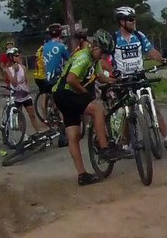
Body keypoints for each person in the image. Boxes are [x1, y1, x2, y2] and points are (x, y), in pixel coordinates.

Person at [52, 29, 122, 186]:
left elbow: (100, 77)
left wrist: (115, 81)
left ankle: (82, 175)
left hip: (60, 94)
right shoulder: (83, 57)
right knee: (97, 110)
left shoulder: (94, 59)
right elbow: (71, 79)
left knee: (74, 135)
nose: (104, 56)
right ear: (95, 46)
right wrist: (85, 94)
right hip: (65, 92)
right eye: (103, 52)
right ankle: (104, 149)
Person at [110, 6, 167, 151]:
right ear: (121, 21)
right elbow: (105, 60)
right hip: (123, 79)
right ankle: (125, 144)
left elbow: (151, 51)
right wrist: (113, 72)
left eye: (134, 19)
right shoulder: (114, 39)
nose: (133, 22)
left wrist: (162, 60)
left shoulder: (139, 36)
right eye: (130, 20)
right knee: (127, 113)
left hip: (139, 75)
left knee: (153, 105)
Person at [2, 46, 53, 139]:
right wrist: (16, 72)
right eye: (16, 56)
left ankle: (38, 131)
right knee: (20, 116)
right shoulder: (8, 70)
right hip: (16, 95)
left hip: (24, 94)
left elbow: (26, 80)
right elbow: (13, 82)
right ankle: (23, 135)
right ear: (12, 57)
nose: (19, 57)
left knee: (32, 115)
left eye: (19, 55)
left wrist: (27, 88)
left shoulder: (23, 67)